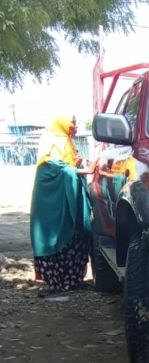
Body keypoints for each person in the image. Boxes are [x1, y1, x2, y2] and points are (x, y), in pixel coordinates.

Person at [30, 114, 92, 293]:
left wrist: (75, 165)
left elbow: (67, 166)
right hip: (52, 202)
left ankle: (72, 280)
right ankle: (59, 281)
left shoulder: (67, 141)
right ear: (62, 123)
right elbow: (57, 169)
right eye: (72, 123)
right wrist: (83, 171)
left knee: (76, 233)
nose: (75, 127)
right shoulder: (52, 141)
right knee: (56, 234)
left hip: (67, 196)